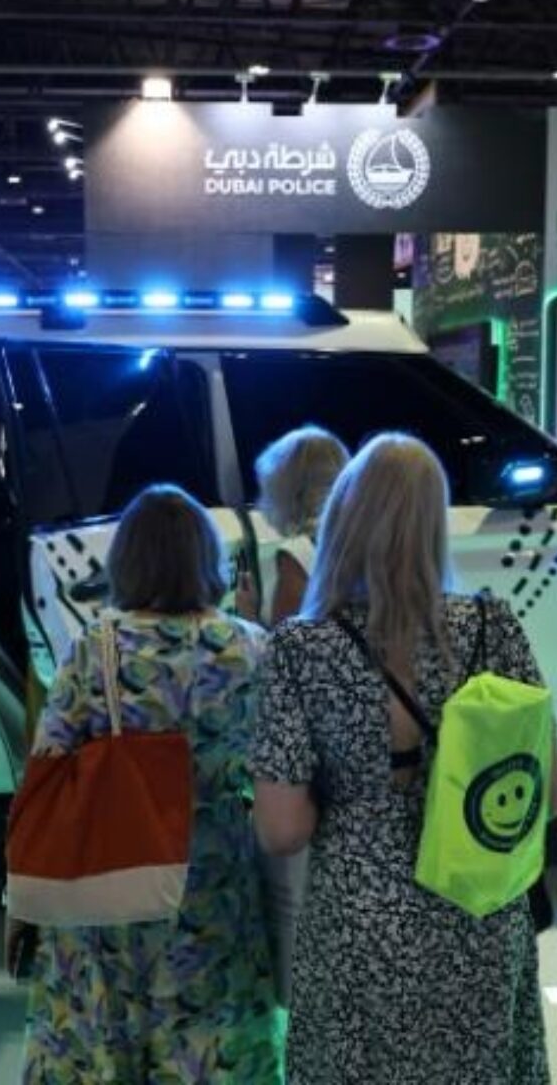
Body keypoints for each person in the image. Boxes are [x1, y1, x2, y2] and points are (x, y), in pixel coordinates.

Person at [250, 433, 557, 1085]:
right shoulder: (493, 627)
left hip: (357, 927)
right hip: (478, 914)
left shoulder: (301, 649)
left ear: (343, 518)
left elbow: (282, 830)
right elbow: (551, 793)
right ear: (434, 526)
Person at [7, 484, 281, 1084]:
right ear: (206, 558)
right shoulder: (252, 648)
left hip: (113, 882)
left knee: (108, 1044)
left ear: (126, 560)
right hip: (215, 882)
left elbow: (46, 765)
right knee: (210, 1045)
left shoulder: (95, 648)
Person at [233, 425, 347, 1006]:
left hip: (309, 742)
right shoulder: (360, 542)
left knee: (297, 893)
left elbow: (284, 652)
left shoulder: (298, 555)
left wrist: (248, 618)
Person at [236, 425, 347, 627]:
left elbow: (286, 643)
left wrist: (249, 617)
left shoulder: (299, 552)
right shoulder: (359, 537)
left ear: (286, 490)